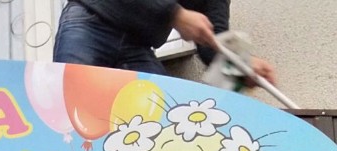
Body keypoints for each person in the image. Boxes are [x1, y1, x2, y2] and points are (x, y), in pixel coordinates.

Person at [53, 0, 276, 86]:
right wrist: (174, 14)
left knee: (162, 122)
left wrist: (241, 66)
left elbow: (212, 41)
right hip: (92, 19)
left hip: (137, 45)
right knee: (70, 105)